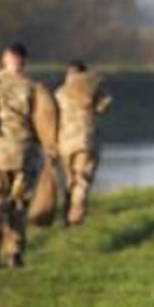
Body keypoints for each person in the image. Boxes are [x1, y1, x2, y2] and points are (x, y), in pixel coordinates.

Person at [0, 42, 57, 267]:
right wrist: (50, 149)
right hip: (25, 152)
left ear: (5, 59)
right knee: (19, 203)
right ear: (24, 61)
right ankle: (15, 252)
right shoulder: (34, 88)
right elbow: (46, 120)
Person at [54, 61, 113, 225]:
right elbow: (105, 107)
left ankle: (66, 216)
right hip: (87, 141)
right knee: (82, 179)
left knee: (68, 180)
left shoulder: (60, 93)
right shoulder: (91, 91)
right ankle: (76, 215)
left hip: (64, 143)